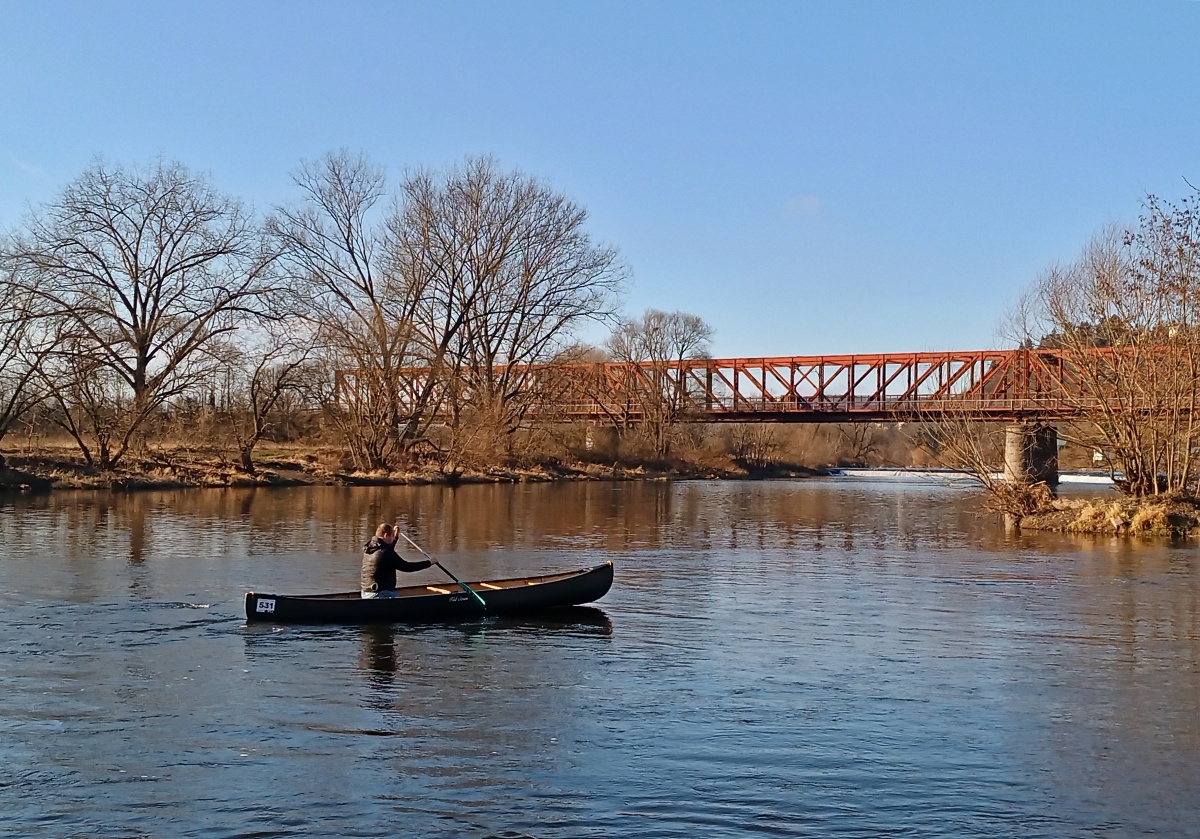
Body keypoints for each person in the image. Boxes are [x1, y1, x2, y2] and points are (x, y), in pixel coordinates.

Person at [361, 523, 432, 598]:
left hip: (365, 593)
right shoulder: (386, 553)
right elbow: (406, 567)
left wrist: (396, 536)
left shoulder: (370, 548)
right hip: (380, 594)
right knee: (404, 606)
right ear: (385, 535)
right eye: (392, 536)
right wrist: (429, 563)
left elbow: (386, 551)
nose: (393, 538)